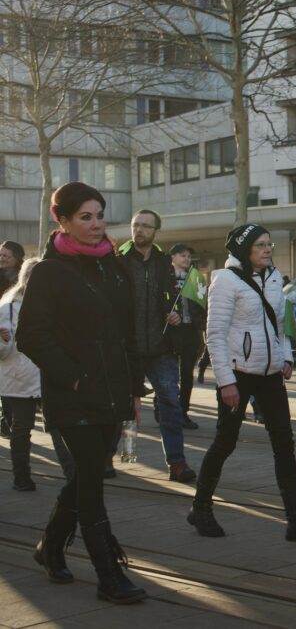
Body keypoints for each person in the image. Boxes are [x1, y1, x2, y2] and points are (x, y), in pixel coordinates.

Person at [18, 181, 147, 603]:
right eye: (85, 217)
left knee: (84, 479)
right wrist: (73, 377)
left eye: (100, 215)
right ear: (64, 221)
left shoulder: (113, 264)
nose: (96, 225)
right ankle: (110, 575)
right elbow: (31, 336)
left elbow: (127, 334)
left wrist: (133, 389)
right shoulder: (48, 271)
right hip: (73, 395)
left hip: (112, 391)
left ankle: (51, 546)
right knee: (91, 482)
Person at [187, 224, 296, 543]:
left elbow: (278, 326)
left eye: (269, 244)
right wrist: (225, 382)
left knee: (285, 443)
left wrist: (286, 357)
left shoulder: (274, 277)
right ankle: (201, 507)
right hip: (238, 374)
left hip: (270, 375)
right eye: (260, 245)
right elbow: (215, 335)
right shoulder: (225, 281)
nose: (268, 249)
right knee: (226, 441)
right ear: (243, 249)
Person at [118, 210, 195, 482]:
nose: (138, 230)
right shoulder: (120, 261)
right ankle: (116, 456)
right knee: (122, 406)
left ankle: (177, 463)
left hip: (161, 347)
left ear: (155, 231)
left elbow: (172, 299)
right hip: (128, 347)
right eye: (135, 224)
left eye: (145, 226)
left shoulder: (164, 263)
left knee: (170, 404)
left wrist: (173, 315)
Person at [1, 258, 74, 491]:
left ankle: (72, 477)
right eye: (31, 272)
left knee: (57, 426)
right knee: (22, 428)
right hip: (19, 375)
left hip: (48, 373)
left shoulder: (57, 303)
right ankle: (21, 477)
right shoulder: (9, 304)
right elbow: (4, 349)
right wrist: (3, 340)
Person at [168, 244, 205, 430]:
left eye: (188, 256)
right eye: (182, 255)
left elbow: (201, 304)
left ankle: (183, 413)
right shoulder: (165, 278)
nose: (186, 259)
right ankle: (164, 410)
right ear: (173, 257)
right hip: (172, 333)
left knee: (187, 376)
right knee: (169, 375)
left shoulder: (194, 278)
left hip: (190, 332)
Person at [0, 240, 26, 439]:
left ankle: (11, 420)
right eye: (0, 254)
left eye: (5, 255)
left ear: (17, 259)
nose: (1, 258)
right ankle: (7, 420)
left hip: (18, 335)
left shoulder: (23, 278)